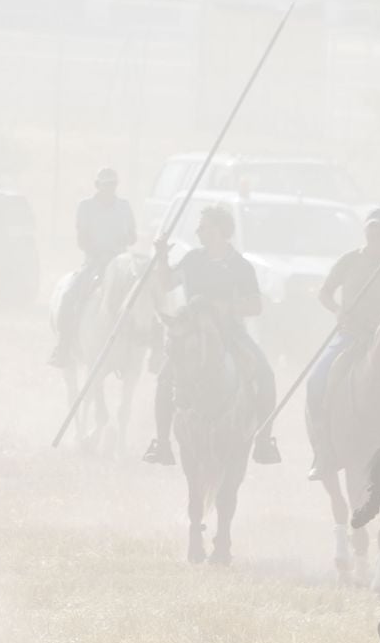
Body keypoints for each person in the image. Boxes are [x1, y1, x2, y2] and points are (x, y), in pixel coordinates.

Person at [141, 203, 280, 466]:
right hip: (192, 333)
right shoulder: (193, 259)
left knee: (266, 375)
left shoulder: (240, 266)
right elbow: (167, 284)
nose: (198, 231)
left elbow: (256, 306)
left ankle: (263, 441)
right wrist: (161, 257)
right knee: (164, 379)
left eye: (203, 226)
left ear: (218, 230)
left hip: (230, 333)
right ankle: (162, 443)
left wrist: (228, 307)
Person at [305, 206, 380, 478]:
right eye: (371, 228)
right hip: (351, 336)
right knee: (317, 380)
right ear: (365, 231)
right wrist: (337, 310)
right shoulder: (348, 261)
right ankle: (324, 449)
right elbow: (325, 293)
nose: (375, 234)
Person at [48, 168, 138, 367]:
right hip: (94, 263)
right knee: (70, 294)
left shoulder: (124, 207)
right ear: (97, 186)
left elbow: (133, 235)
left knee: (144, 295)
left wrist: (126, 239)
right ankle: (63, 346)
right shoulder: (85, 207)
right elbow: (82, 239)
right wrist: (98, 253)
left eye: (113, 184)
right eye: (106, 184)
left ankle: (150, 346)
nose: (110, 189)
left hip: (120, 264)